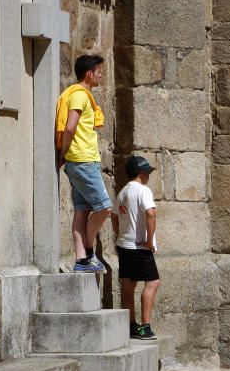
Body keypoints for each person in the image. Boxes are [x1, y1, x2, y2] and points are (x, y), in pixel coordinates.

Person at [55, 54, 112, 273]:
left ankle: (80, 260)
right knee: (105, 208)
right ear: (89, 73)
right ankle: (88, 252)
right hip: (83, 159)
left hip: (78, 160)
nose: (101, 75)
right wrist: (65, 152)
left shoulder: (72, 93)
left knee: (82, 210)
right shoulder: (79, 95)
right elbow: (70, 127)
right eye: (99, 71)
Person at [111, 156, 161, 341]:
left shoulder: (123, 192)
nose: (148, 175)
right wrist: (149, 240)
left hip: (125, 245)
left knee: (128, 285)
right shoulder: (143, 191)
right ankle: (145, 327)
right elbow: (151, 213)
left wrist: (119, 233)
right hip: (139, 247)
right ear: (142, 173)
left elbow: (114, 216)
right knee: (153, 282)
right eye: (147, 172)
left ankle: (131, 325)